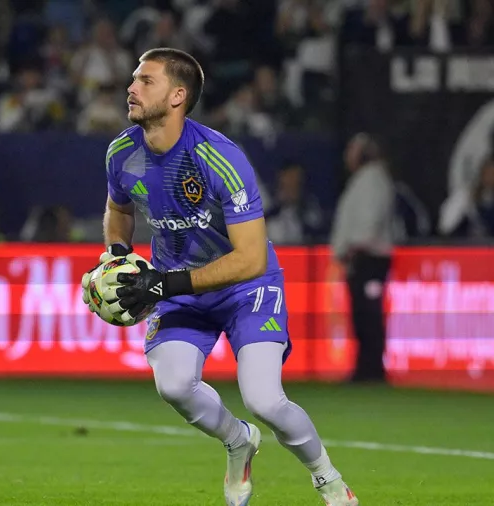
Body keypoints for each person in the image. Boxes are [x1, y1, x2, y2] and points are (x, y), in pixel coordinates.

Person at [79, 48, 359, 506]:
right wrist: (117, 256)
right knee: (172, 385)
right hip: (178, 288)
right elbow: (118, 209)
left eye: (145, 81)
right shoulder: (121, 153)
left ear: (177, 96)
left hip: (245, 287)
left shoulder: (219, 158)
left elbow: (249, 259)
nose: (131, 87)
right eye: (134, 79)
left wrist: (164, 285)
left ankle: (328, 479)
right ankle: (237, 441)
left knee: (266, 400)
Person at [331, 133, 394, 383]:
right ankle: (365, 367)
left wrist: (351, 247)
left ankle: (372, 369)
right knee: (362, 315)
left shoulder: (373, 181)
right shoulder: (364, 180)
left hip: (369, 258)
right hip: (361, 258)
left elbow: (368, 224)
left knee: (369, 315)